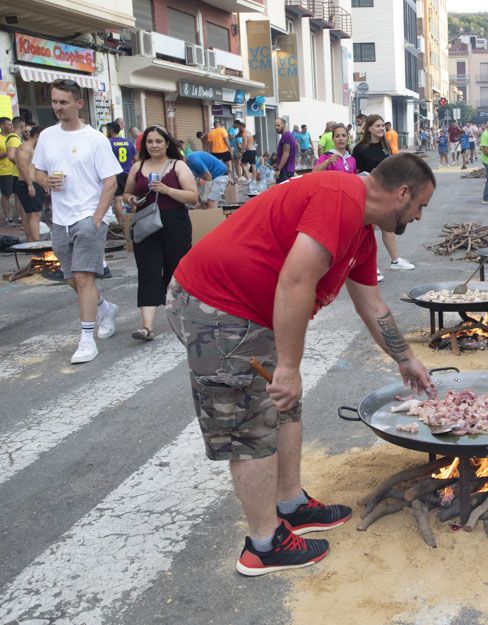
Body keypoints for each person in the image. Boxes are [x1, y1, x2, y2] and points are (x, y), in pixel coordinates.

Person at [166, 153, 437, 576]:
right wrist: (288, 367)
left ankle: (290, 504)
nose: (419, 215)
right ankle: (262, 545)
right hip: (216, 307)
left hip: (251, 314)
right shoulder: (339, 197)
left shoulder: (362, 230)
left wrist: (407, 359)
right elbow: (295, 280)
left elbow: (371, 303)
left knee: (284, 406)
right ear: (402, 193)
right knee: (251, 423)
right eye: (420, 204)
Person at [31, 79, 121, 364]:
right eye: (55, 102)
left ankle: (86, 339)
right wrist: (45, 180)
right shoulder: (47, 136)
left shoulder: (95, 139)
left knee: (84, 277)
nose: (57, 107)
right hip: (61, 219)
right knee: (71, 279)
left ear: (79, 104)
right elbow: (37, 171)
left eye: (63, 102)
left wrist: (96, 219)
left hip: (88, 217)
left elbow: (110, 182)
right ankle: (105, 308)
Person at [123, 126, 198, 341]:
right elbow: (126, 192)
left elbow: (193, 197)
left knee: (177, 271)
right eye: (149, 142)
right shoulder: (138, 166)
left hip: (174, 222)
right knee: (148, 272)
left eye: (158, 141)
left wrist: (167, 190)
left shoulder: (178, 166)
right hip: (146, 224)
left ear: (167, 143)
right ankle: (147, 327)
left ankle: (184, 318)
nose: (154, 145)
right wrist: (130, 199)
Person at [353, 114, 415, 273]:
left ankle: (395, 260)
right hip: (369, 193)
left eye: (382, 126)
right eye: (377, 126)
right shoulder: (359, 149)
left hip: (386, 192)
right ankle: (370, 267)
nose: (381, 128)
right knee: (369, 231)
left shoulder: (385, 144)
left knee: (388, 227)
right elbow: (355, 173)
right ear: (369, 128)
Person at [13, 124, 44, 242]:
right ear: (38, 135)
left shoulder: (33, 149)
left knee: (30, 215)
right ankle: (37, 245)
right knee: (35, 215)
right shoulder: (24, 147)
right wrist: (30, 185)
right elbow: (22, 166)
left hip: (33, 183)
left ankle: (32, 243)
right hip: (27, 184)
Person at [106, 121, 135, 224]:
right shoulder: (129, 142)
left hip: (116, 175)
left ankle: (122, 225)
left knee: (117, 200)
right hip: (129, 174)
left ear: (110, 130)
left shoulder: (108, 143)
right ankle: (134, 222)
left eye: (107, 130)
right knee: (131, 198)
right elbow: (135, 158)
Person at [0, 116, 21, 225]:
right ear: (2, 126)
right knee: (6, 195)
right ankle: (8, 217)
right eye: (8, 125)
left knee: (18, 194)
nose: (11, 126)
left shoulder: (14, 137)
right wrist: (9, 151)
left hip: (16, 171)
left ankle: (20, 217)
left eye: (12, 124)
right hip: (4, 171)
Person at [274, 118, 298, 184]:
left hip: (285, 171)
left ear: (284, 125)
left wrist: (278, 169)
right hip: (288, 170)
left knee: (281, 193)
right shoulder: (289, 135)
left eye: (278, 125)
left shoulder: (286, 136)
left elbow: (286, 154)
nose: (276, 127)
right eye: (275, 126)